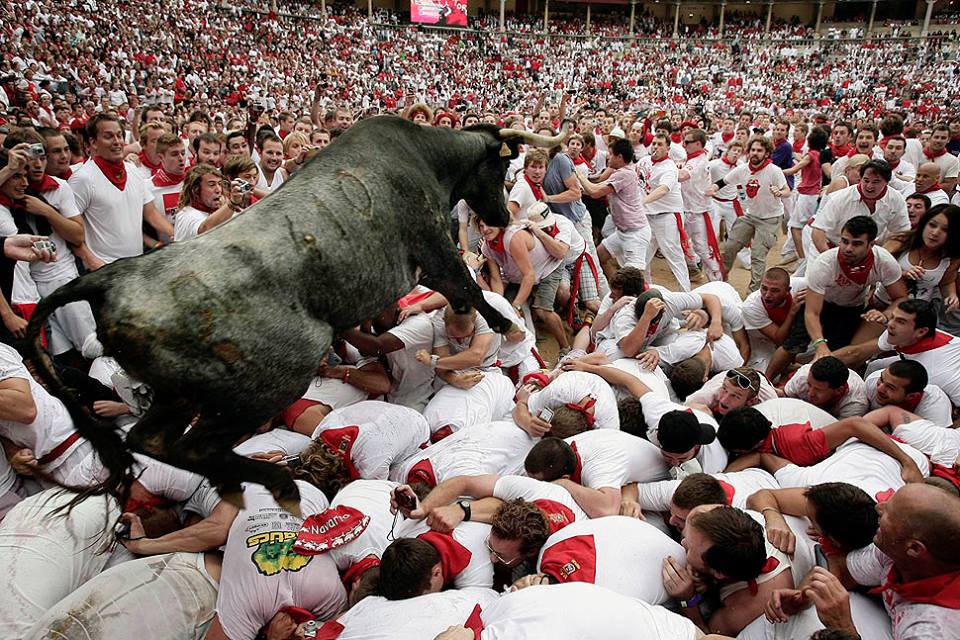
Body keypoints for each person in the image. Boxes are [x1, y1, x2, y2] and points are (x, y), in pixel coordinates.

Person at [69, 113, 172, 269]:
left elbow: (151, 213)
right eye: (108, 136)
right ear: (93, 142)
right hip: (103, 270)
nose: (117, 142)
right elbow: (71, 231)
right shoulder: (82, 179)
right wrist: (92, 262)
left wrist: (177, 236)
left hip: (135, 266)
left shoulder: (133, 172)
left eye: (119, 135)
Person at [805, 216, 907, 358]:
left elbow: (901, 297)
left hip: (850, 309)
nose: (848, 249)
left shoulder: (884, 262)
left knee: (836, 353)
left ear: (871, 244)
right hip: (822, 302)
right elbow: (811, 312)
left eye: (856, 244)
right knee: (790, 348)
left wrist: (885, 314)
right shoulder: (824, 263)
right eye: (845, 241)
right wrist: (820, 344)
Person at [709, 136, 790, 292]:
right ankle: (720, 282)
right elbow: (722, 182)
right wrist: (713, 188)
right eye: (753, 150)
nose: (755, 153)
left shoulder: (774, 171)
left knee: (758, 255)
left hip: (770, 218)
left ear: (767, 153)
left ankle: (753, 293)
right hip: (750, 216)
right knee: (730, 246)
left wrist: (779, 192)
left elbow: (787, 191)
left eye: (759, 150)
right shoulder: (742, 169)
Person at [577, 138, 650, 278]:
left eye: (611, 154)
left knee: (634, 278)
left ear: (620, 157)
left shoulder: (624, 174)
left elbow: (595, 192)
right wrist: (579, 188)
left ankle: (637, 297)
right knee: (599, 256)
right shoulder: (623, 172)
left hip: (635, 234)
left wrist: (579, 176)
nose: (608, 157)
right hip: (623, 232)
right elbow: (596, 188)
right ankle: (615, 288)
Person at [638, 133, 692, 291]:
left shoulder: (670, 167)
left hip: (667, 216)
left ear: (668, 148)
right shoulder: (644, 161)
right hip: (648, 216)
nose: (655, 146)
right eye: (654, 143)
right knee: (642, 258)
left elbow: (663, 190)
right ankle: (647, 291)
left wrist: (640, 203)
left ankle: (686, 297)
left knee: (674, 257)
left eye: (660, 144)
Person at [680, 128, 724, 281]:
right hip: (689, 209)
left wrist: (667, 168)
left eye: (687, 142)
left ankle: (717, 281)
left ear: (698, 144)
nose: (683, 144)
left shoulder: (697, 161)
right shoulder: (698, 155)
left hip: (698, 211)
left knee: (703, 248)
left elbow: (682, 176)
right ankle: (693, 269)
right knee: (681, 243)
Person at [863, 361, 953, 427]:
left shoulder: (935, 409)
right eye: (881, 379)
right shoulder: (873, 381)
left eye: (890, 387)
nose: (879, 388)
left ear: (911, 396)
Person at [781, 357, 869, 419]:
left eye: (818, 390)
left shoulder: (856, 404)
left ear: (838, 390)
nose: (810, 394)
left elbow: (838, 434)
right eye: (809, 385)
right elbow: (784, 398)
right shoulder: (802, 376)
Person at [173, 164, 243, 242]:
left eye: (220, 184)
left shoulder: (217, 209)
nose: (219, 190)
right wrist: (232, 204)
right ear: (195, 190)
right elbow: (205, 228)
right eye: (212, 185)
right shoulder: (186, 215)